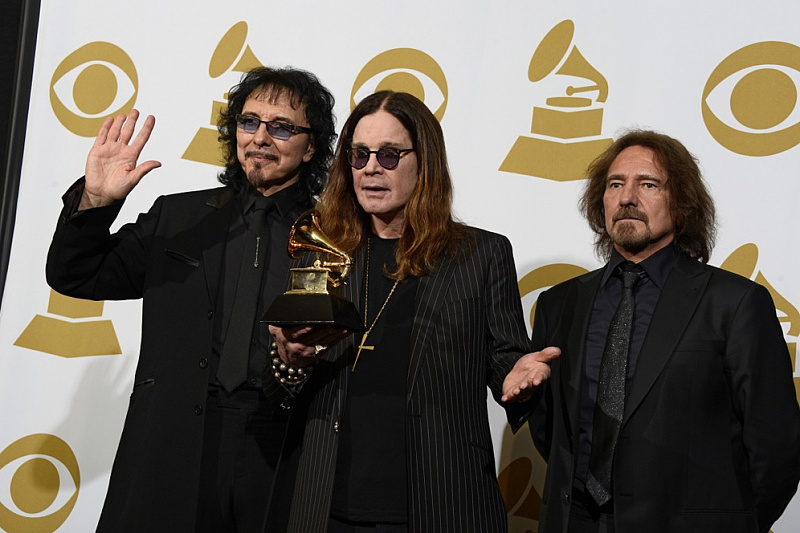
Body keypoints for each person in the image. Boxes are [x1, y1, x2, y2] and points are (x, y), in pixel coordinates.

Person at [45, 66, 336, 532]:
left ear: (311, 146)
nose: (260, 137)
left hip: (280, 448)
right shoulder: (178, 216)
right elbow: (77, 275)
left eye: (281, 127)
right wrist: (96, 203)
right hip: (171, 440)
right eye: (249, 122)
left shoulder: (335, 238)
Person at [267, 90, 553, 532]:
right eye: (359, 155)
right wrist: (287, 362)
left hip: (443, 500)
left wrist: (518, 379)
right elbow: (285, 382)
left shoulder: (480, 254)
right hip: (326, 504)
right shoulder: (319, 251)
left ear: (426, 162)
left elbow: (505, 360)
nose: (371, 169)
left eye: (389, 154)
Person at [515, 130, 800, 532]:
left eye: (648, 184)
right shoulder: (560, 304)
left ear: (681, 204)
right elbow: (553, 433)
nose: (627, 197)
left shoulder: (734, 304)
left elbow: (776, 446)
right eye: (616, 184)